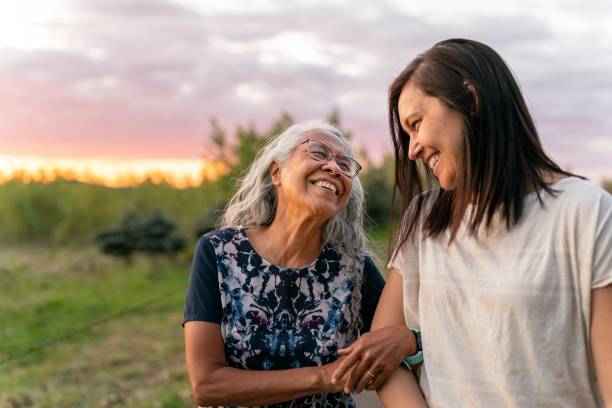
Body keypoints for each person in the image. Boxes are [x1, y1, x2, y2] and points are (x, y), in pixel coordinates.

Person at [332, 38, 612, 407]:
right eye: (407, 134)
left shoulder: (587, 212)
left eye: (416, 124)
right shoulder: (423, 218)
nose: (412, 148)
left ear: (472, 99)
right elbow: (383, 359)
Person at [183, 120, 385, 407]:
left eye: (344, 163)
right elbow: (206, 385)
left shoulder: (354, 268)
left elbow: (396, 342)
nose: (334, 168)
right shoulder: (219, 252)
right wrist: (325, 377)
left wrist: (405, 341)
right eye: (318, 152)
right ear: (276, 172)